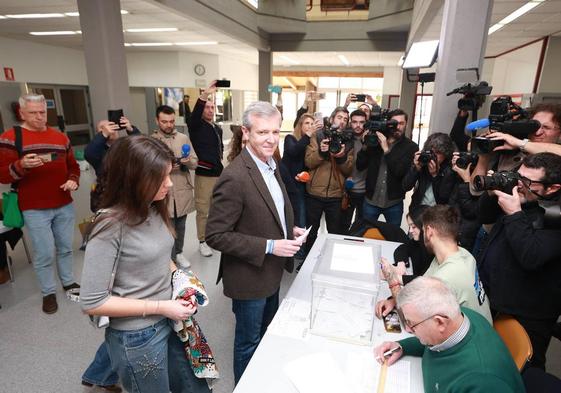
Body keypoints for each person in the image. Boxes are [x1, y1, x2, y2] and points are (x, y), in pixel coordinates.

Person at [80, 136, 210, 393]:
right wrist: (163, 306)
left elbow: (163, 258)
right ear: (134, 179)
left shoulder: (152, 207)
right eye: (161, 178)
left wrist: (184, 283)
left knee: (195, 387)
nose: (170, 184)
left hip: (168, 318)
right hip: (137, 336)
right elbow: (92, 302)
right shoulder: (109, 227)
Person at [205, 101, 305, 384]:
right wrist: (271, 245)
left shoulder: (271, 164)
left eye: (275, 131)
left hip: (271, 273)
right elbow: (216, 235)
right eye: (263, 132)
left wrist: (290, 228)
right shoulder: (234, 177)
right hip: (249, 277)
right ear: (246, 133)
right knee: (248, 343)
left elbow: (271, 208)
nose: (271, 139)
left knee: (266, 336)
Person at [477, 152, 561, 370]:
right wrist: (491, 192)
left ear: (552, 188)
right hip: (495, 303)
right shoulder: (522, 197)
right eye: (518, 176)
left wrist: (514, 213)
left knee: (521, 370)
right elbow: (484, 216)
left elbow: (531, 256)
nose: (519, 184)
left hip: (528, 316)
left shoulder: (556, 217)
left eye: (527, 181)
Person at [374, 277, 525, 393]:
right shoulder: (458, 317)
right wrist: (402, 346)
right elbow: (432, 342)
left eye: (411, 324)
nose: (408, 328)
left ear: (439, 322)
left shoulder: (483, 382)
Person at [0, 94, 80, 314]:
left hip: (63, 203)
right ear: (22, 113)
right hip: (34, 208)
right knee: (44, 252)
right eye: (33, 113)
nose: (39, 117)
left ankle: (68, 282)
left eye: (42, 112)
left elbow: (73, 166)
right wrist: (21, 164)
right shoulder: (10, 138)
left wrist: (73, 180)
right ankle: (48, 292)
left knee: (65, 247)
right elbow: (3, 176)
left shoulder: (60, 137)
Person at [376, 205, 492, 324]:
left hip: (471, 337)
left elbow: (409, 321)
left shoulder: (445, 278)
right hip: (480, 328)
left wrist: (392, 279)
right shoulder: (464, 254)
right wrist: (394, 301)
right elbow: (419, 289)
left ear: (430, 231)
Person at [152, 105, 197, 269]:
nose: (169, 125)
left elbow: (195, 161)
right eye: (164, 122)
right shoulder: (153, 141)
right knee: (166, 227)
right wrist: (166, 166)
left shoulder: (183, 138)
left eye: (171, 121)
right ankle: (168, 259)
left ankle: (178, 253)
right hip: (163, 191)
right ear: (157, 121)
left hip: (182, 189)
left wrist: (186, 162)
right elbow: (148, 167)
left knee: (181, 225)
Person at [356, 109, 417, 226]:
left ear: (406, 124)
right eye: (394, 123)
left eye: (401, 123)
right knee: (365, 233)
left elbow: (399, 172)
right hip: (371, 200)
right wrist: (365, 146)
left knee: (393, 237)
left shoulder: (411, 147)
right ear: (388, 124)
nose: (397, 126)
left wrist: (386, 149)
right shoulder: (375, 140)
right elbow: (360, 165)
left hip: (394, 202)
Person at [304, 107, 353, 254]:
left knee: (334, 232)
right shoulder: (318, 136)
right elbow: (309, 163)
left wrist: (341, 157)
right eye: (339, 117)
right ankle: (308, 258)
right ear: (331, 119)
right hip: (315, 193)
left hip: (336, 195)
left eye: (345, 119)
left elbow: (349, 169)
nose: (342, 121)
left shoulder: (349, 142)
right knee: (311, 231)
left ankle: (331, 260)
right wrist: (320, 151)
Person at [188, 81, 224, 257]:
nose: (209, 110)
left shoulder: (216, 128)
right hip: (204, 175)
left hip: (219, 174)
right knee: (203, 210)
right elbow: (194, 115)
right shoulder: (196, 125)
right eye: (206, 107)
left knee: (217, 209)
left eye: (212, 107)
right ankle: (202, 241)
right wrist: (204, 95)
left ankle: (213, 237)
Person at [85, 117, 140, 212]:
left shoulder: (126, 146)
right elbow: (89, 154)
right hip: (109, 197)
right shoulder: (98, 152)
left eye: (111, 125)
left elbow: (142, 149)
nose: (109, 129)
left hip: (131, 195)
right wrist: (104, 134)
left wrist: (131, 130)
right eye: (103, 128)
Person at [281, 114, 318, 235]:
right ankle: (298, 253)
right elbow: (294, 152)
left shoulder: (312, 144)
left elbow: (311, 164)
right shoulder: (290, 139)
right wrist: (308, 136)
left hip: (305, 188)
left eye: (312, 124)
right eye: (307, 123)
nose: (310, 126)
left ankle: (302, 250)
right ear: (300, 125)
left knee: (305, 222)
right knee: (297, 222)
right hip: (290, 187)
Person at [402, 132, 458, 212]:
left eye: (438, 153)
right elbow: (406, 186)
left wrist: (435, 175)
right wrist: (416, 168)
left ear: (446, 154)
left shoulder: (450, 170)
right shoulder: (423, 163)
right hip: (418, 211)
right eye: (432, 152)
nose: (434, 156)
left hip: (437, 215)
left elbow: (443, 199)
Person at [340, 109, 368, 234]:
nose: (358, 125)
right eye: (355, 122)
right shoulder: (345, 139)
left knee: (361, 226)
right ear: (350, 123)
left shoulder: (371, 140)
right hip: (347, 189)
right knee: (344, 224)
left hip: (365, 191)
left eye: (362, 122)